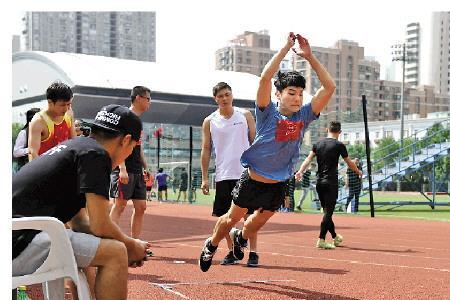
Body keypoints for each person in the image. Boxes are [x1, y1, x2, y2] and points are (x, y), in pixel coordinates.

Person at [198, 32, 336, 272]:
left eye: (300, 94)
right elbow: (264, 78)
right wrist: (285, 49)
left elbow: (329, 87)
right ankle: (210, 245)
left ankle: (240, 238)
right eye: (291, 93)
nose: (296, 98)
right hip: (252, 179)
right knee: (230, 218)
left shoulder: (304, 116)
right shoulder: (267, 113)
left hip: (278, 183)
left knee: (254, 225)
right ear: (278, 94)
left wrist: (310, 57)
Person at [12, 104, 151, 300]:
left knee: (103, 246)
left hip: (16, 235)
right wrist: (130, 245)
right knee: (116, 253)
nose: (128, 155)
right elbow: (100, 224)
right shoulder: (97, 155)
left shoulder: (77, 148)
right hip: (17, 243)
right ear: (126, 140)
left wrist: (129, 244)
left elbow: (80, 223)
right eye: (133, 148)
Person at [200, 82, 257, 267]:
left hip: (246, 173)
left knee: (249, 216)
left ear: (232, 95)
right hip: (223, 174)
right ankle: (233, 250)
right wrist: (204, 178)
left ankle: (254, 253)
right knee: (224, 218)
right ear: (215, 99)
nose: (224, 98)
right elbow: (206, 148)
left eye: (227, 94)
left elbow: (255, 142)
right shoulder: (210, 121)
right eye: (220, 96)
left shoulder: (245, 115)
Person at [297, 121, 362, 249]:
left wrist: (300, 171)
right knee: (328, 213)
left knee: (327, 212)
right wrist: (358, 171)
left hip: (319, 182)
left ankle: (334, 237)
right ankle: (321, 239)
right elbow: (349, 162)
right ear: (340, 132)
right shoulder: (339, 145)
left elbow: (308, 159)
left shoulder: (318, 144)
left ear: (327, 129)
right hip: (331, 183)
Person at [110, 86, 151, 239]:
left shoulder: (137, 121)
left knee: (141, 207)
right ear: (138, 98)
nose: (150, 102)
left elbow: (137, 146)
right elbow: (118, 144)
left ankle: (135, 242)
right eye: (148, 99)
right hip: (124, 168)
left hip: (137, 169)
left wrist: (145, 167)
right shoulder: (125, 118)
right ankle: (109, 241)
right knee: (119, 206)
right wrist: (122, 168)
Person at [28, 81, 76, 161]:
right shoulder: (38, 121)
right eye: (62, 105)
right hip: (44, 169)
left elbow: (74, 142)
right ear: (50, 102)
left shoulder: (69, 113)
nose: (66, 108)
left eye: (69, 104)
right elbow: (32, 152)